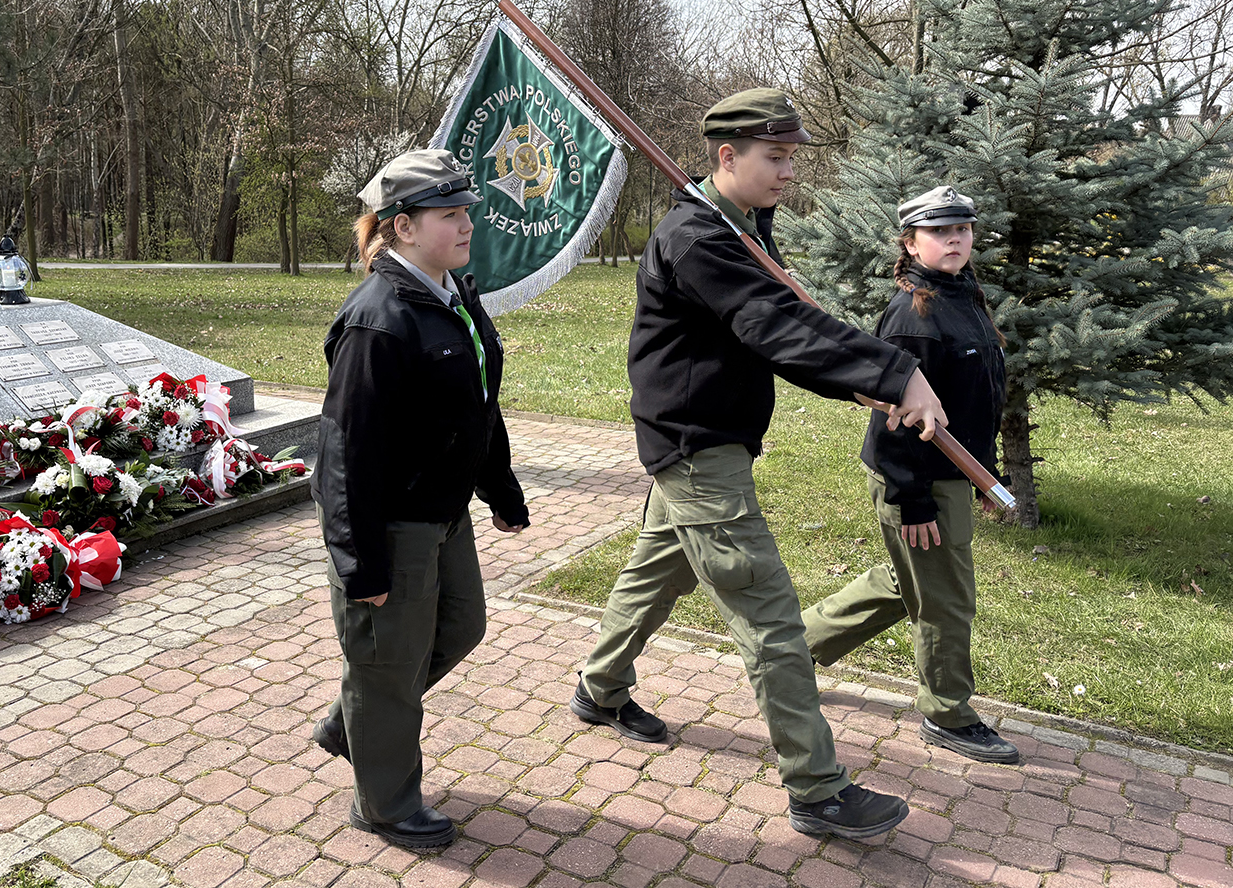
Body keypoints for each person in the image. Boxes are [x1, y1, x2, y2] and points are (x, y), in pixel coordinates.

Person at [570, 89, 950, 840]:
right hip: (697, 450)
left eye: (791, 158)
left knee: (660, 570)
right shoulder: (698, 237)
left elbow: (781, 329)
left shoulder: (741, 227)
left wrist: (860, 379)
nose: (787, 173)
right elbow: (771, 323)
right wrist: (894, 371)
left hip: (705, 436)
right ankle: (816, 787)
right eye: (775, 158)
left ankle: (599, 686)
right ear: (726, 156)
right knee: (771, 620)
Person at [310, 148, 531, 850]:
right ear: (402, 227)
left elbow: (477, 405)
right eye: (450, 214)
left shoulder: (452, 294)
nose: (468, 223)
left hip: (444, 513)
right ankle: (384, 803)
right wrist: (360, 564)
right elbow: (344, 453)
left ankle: (359, 723)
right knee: (389, 667)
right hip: (394, 526)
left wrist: (500, 487)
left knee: (460, 628)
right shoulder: (378, 319)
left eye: (467, 210)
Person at [802, 186, 1018, 764]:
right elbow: (891, 419)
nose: (954, 239)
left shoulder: (962, 293)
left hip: (951, 473)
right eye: (939, 232)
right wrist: (912, 501)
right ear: (910, 242)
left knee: (909, 583)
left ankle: (793, 650)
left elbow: (977, 404)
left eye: (963, 230)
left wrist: (988, 480)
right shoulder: (913, 314)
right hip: (918, 478)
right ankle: (947, 714)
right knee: (945, 600)